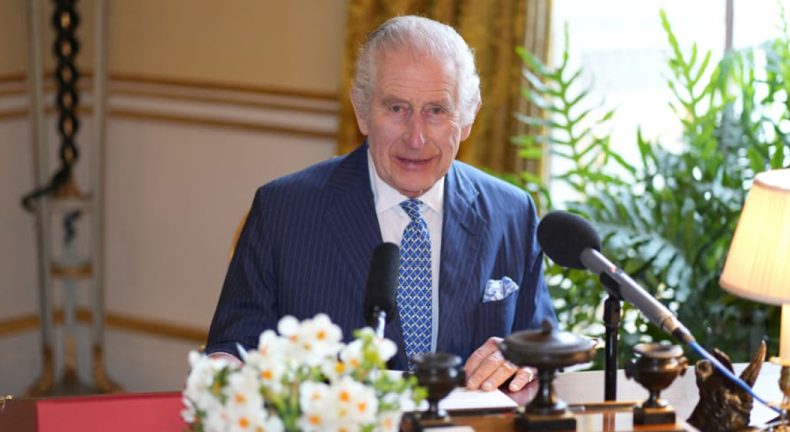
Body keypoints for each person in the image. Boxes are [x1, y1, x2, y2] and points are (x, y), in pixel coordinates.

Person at [205, 15, 556, 393]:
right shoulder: (283, 211)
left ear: (467, 118)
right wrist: (225, 369)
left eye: (436, 110)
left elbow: (541, 340)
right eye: (397, 109)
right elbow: (234, 347)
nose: (416, 137)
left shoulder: (512, 212)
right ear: (362, 111)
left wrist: (519, 355)